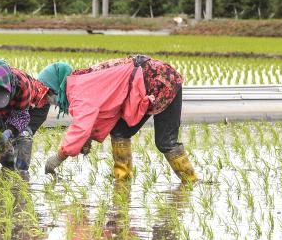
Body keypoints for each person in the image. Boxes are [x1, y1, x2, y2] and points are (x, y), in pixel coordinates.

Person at [37, 55, 198, 183]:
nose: (50, 100)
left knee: (165, 142)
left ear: (56, 87)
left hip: (162, 81)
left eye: (49, 94)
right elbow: (105, 111)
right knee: (120, 131)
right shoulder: (80, 80)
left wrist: (59, 157)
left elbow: (81, 127)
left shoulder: (79, 91)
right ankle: (123, 180)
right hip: (142, 82)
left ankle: (190, 181)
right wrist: (89, 137)